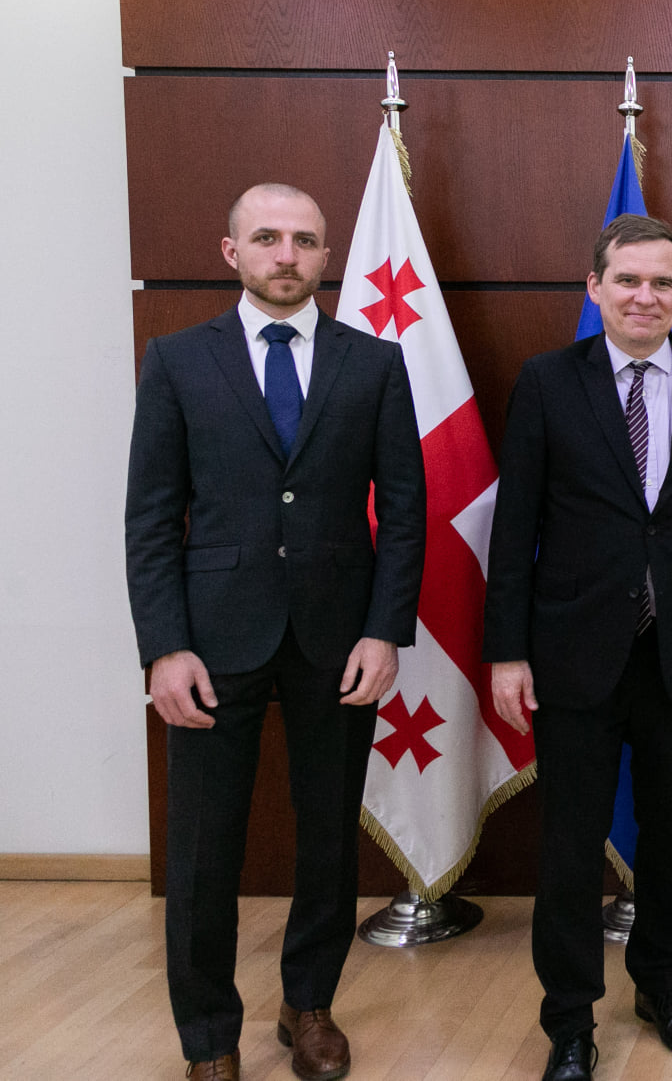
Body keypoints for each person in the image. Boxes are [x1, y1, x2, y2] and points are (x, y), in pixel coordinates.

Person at [125, 183, 426, 1081]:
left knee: (328, 834)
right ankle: (209, 1036)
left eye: (303, 240)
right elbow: (151, 517)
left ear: (327, 255)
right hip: (210, 643)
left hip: (339, 639)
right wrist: (164, 646)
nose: (286, 254)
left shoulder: (374, 363)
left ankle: (309, 1005)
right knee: (203, 847)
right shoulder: (178, 360)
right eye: (267, 238)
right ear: (233, 252)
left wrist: (385, 630)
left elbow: (405, 512)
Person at [483, 213, 672, 1081]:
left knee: (670, 834)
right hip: (572, 654)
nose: (644, 296)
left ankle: (662, 984)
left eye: (661, 282)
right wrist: (506, 652)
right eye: (627, 280)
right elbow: (514, 528)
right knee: (570, 843)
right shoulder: (547, 381)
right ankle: (570, 1020)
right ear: (595, 287)